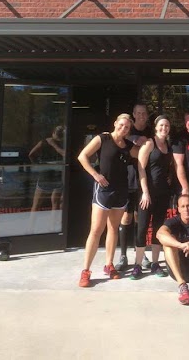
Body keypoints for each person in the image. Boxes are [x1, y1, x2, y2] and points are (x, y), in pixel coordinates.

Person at [77, 114, 138, 287]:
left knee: (113, 229)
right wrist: (95, 175)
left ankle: (109, 264)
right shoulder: (103, 139)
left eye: (127, 127)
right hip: (103, 191)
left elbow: (143, 154)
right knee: (96, 230)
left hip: (121, 191)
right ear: (115, 123)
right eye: (121, 125)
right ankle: (86, 270)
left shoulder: (128, 146)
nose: (123, 129)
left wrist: (147, 142)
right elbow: (82, 156)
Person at [130, 114, 174, 279]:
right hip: (146, 194)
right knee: (142, 228)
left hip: (163, 193)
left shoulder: (168, 146)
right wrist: (145, 192)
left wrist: (170, 178)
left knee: (158, 228)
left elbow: (169, 167)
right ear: (156, 127)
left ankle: (155, 263)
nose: (164, 128)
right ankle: (138, 265)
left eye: (167, 126)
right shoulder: (149, 143)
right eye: (161, 125)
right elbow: (141, 168)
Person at [112, 103, 152, 272]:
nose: (141, 116)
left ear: (147, 115)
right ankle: (123, 255)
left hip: (144, 180)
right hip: (127, 179)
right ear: (134, 114)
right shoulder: (127, 129)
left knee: (139, 218)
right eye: (138, 113)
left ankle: (140, 253)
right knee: (125, 218)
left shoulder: (151, 132)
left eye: (144, 113)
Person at [29, 125, 65, 213]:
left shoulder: (44, 142)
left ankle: (31, 222)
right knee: (55, 203)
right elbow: (65, 155)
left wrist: (36, 164)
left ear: (53, 133)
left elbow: (31, 154)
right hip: (56, 174)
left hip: (46, 174)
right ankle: (53, 222)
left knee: (36, 204)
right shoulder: (62, 144)